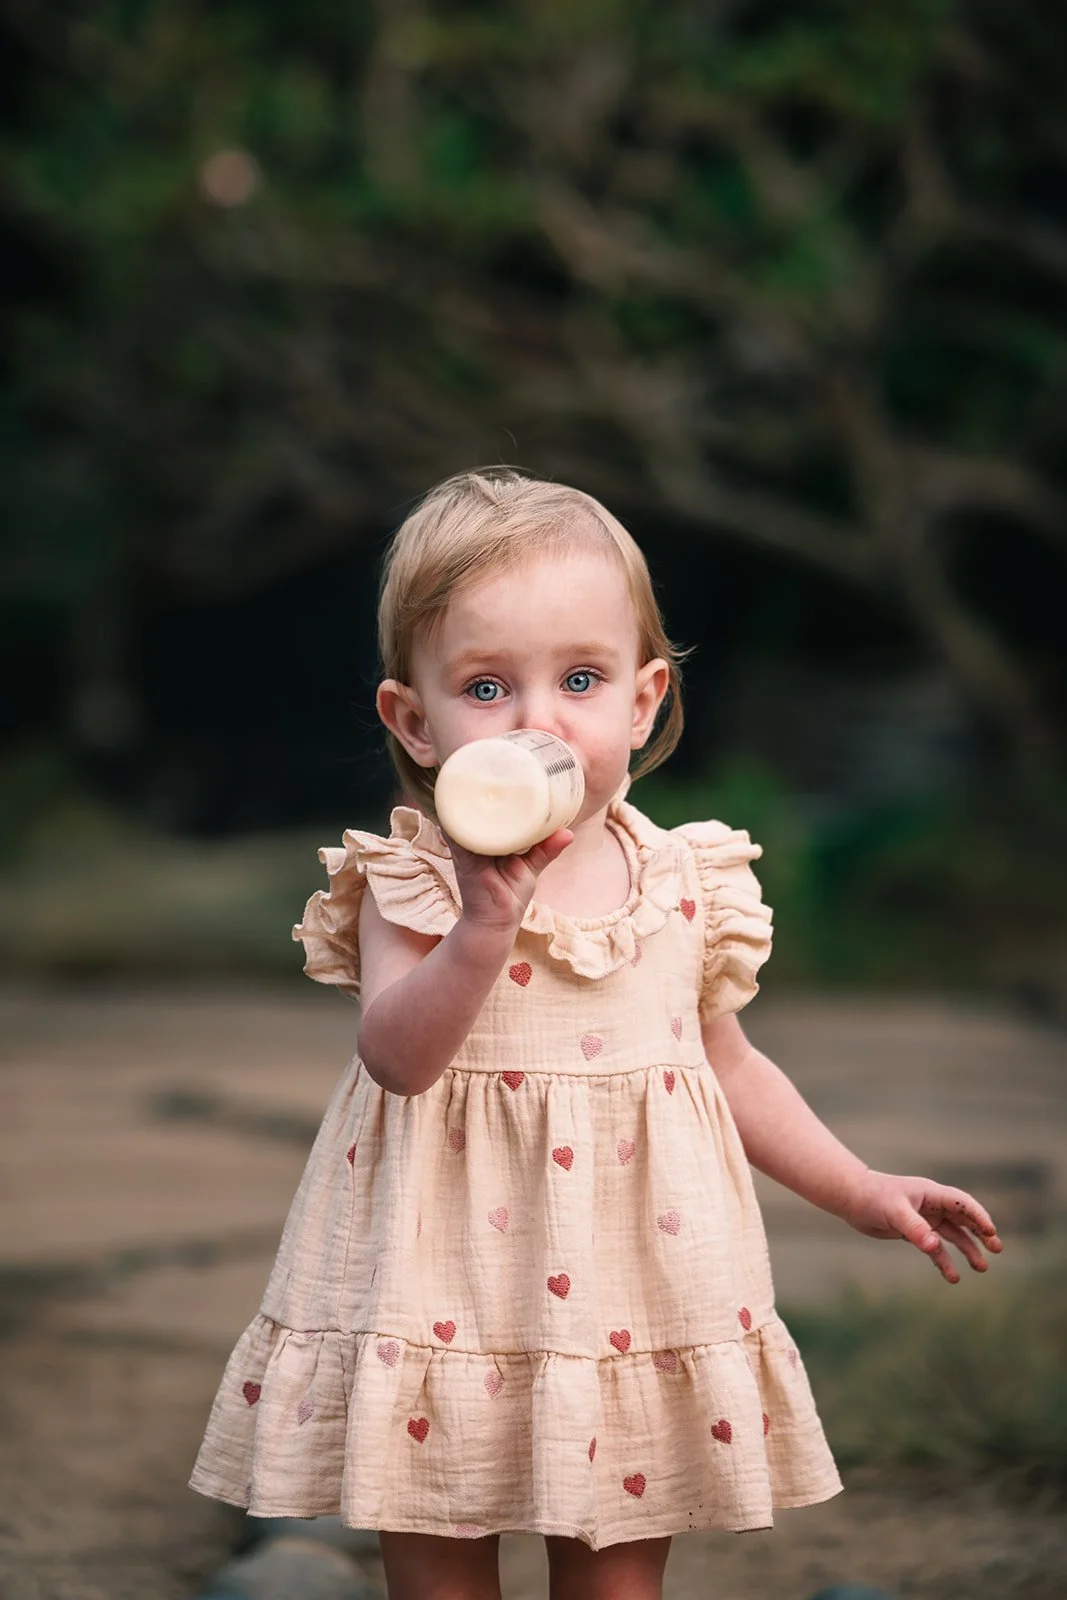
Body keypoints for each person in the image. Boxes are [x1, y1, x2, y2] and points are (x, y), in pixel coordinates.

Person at [189, 469, 1003, 1600]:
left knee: (615, 1580)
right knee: (436, 1562)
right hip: (439, 1284)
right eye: (485, 686)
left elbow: (725, 1064)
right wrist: (483, 925)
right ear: (412, 722)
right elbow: (397, 1054)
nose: (537, 723)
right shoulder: (413, 882)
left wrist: (856, 1187)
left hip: (623, 1288)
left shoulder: (684, 878)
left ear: (640, 700)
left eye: (579, 679)